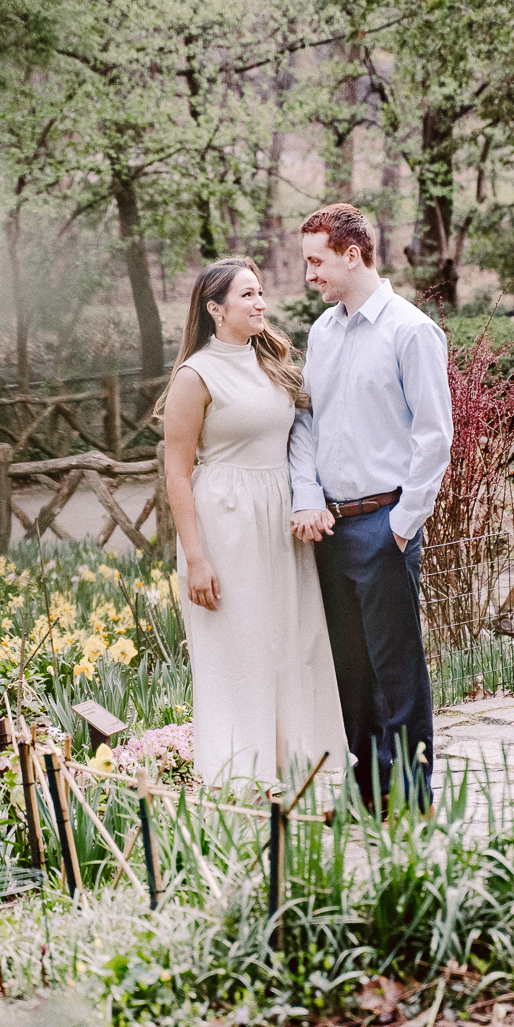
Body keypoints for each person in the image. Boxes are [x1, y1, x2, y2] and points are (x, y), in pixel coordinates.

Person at [160, 257, 347, 788]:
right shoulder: (195, 376)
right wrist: (196, 558)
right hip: (226, 522)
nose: (261, 303)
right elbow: (176, 472)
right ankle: (242, 777)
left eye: (260, 292)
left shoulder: (274, 361)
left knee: (292, 641)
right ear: (215, 309)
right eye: (247, 295)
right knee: (241, 649)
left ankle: (299, 768)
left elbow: (302, 434)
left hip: (278, 517)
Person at [289, 204, 452, 805]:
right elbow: (306, 423)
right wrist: (308, 497)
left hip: (385, 524)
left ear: (352, 255)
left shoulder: (411, 331)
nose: (310, 275)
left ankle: (410, 800)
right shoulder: (321, 332)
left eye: (317, 261)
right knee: (350, 674)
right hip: (329, 527)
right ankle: (367, 795)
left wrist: (403, 526)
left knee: (397, 673)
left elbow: (434, 437)